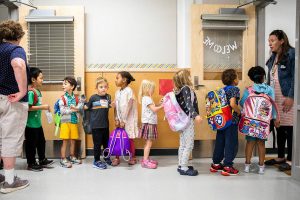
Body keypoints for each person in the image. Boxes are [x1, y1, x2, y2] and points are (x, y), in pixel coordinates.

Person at [0, 20, 30, 193]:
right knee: (9, 138)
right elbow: (18, 64)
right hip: (12, 101)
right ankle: (10, 182)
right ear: (18, 36)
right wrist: (22, 90)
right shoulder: (15, 50)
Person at [265, 30, 295, 171]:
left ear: (282, 40)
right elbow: (271, 78)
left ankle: (291, 159)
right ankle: (281, 156)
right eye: (269, 41)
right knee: (279, 126)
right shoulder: (273, 56)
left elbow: (296, 77)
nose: (269, 43)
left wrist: (291, 96)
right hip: (275, 96)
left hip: (287, 96)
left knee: (290, 128)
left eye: (272, 40)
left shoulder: (292, 54)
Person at [240, 66, 279, 174]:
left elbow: (242, 103)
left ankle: (247, 166)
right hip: (264, 122)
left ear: (252, 78)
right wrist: (275, 119)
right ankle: (261, 167)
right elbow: (273, 105)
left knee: (250, 143)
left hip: (251, 121)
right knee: (261, 143)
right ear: (263, 77)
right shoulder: (269, 89)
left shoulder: (249, 89)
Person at [210, 69, 241, 176]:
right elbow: (232, 104)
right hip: (231, 121)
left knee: (220, 142)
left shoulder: (222, 90)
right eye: (237, 77)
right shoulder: (234, 89)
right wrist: (240, 111)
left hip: (221, 121)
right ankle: (227, 166)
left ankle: (216, 164)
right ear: (233, 79)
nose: (238, 79)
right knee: (230, 143)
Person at [173, 69, 202, 176]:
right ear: (185, 78)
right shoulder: (186, 89)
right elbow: (189, 104)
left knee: (183, 144)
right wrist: (196, 115)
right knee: (189, 144)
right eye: (189, 76)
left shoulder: (179, 90)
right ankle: (184, 167)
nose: (190, 78)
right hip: (187, 120)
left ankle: (181, 164)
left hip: (182, 120)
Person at [25, 67, 54, 172]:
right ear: (33, 79)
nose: (42, 80)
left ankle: (42, 159)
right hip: (30, 125)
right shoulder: (31, 92)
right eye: (41, 78)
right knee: (31, 145)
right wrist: (43, 107)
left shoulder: (38, 91)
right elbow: (28, 107)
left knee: (41, 142)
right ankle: (31, 163)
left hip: (37, 124)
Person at [85, 77, 112, 169]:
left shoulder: (108, 97)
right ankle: (96, 160)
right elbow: (87, 107)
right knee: (97, 144)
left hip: (105, 125)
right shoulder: (93, 97)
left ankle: (106, 157)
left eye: (105, 87)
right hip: (96, 126)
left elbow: (110, 106)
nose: (103, 88)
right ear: (96, 88)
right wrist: (79, 106)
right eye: (101, 87)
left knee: (106, 143)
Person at [113, 71, 139, 166]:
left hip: (128, 120)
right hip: (119, 120)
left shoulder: (129, 91)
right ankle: (117, 157)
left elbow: (129, 105)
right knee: (117, 138)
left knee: (129, 138)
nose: (116, 80)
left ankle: (133, 157)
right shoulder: (117, 92)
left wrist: (124, 120)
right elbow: (115, 106)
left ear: (124, 80)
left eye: (117, 78)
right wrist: (116, 119)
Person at [138, 80, 163, 169]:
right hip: (149, 123)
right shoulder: (147, 98)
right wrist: (163, 106)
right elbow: (154, 109)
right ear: (148, 89)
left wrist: (159, 103)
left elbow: (153, 106)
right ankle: (145, 161)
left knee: (148, 142)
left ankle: (146, 158)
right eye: (152, 89)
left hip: (149, 122)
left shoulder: (147, 98)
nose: (153, 91)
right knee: (149, 142)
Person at [59, 77, 82, 168]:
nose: (63, 85)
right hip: (65, 122)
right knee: (65, 140)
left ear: (72, 87)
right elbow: (62, 111)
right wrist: (72, 110)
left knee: (73, 140)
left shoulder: (76, 98)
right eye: (63, 83)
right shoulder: (63, 98)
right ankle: (63, 158)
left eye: (65, 84)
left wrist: (77, 108)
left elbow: (79, 108)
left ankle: (72, 156)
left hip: (74, 122)